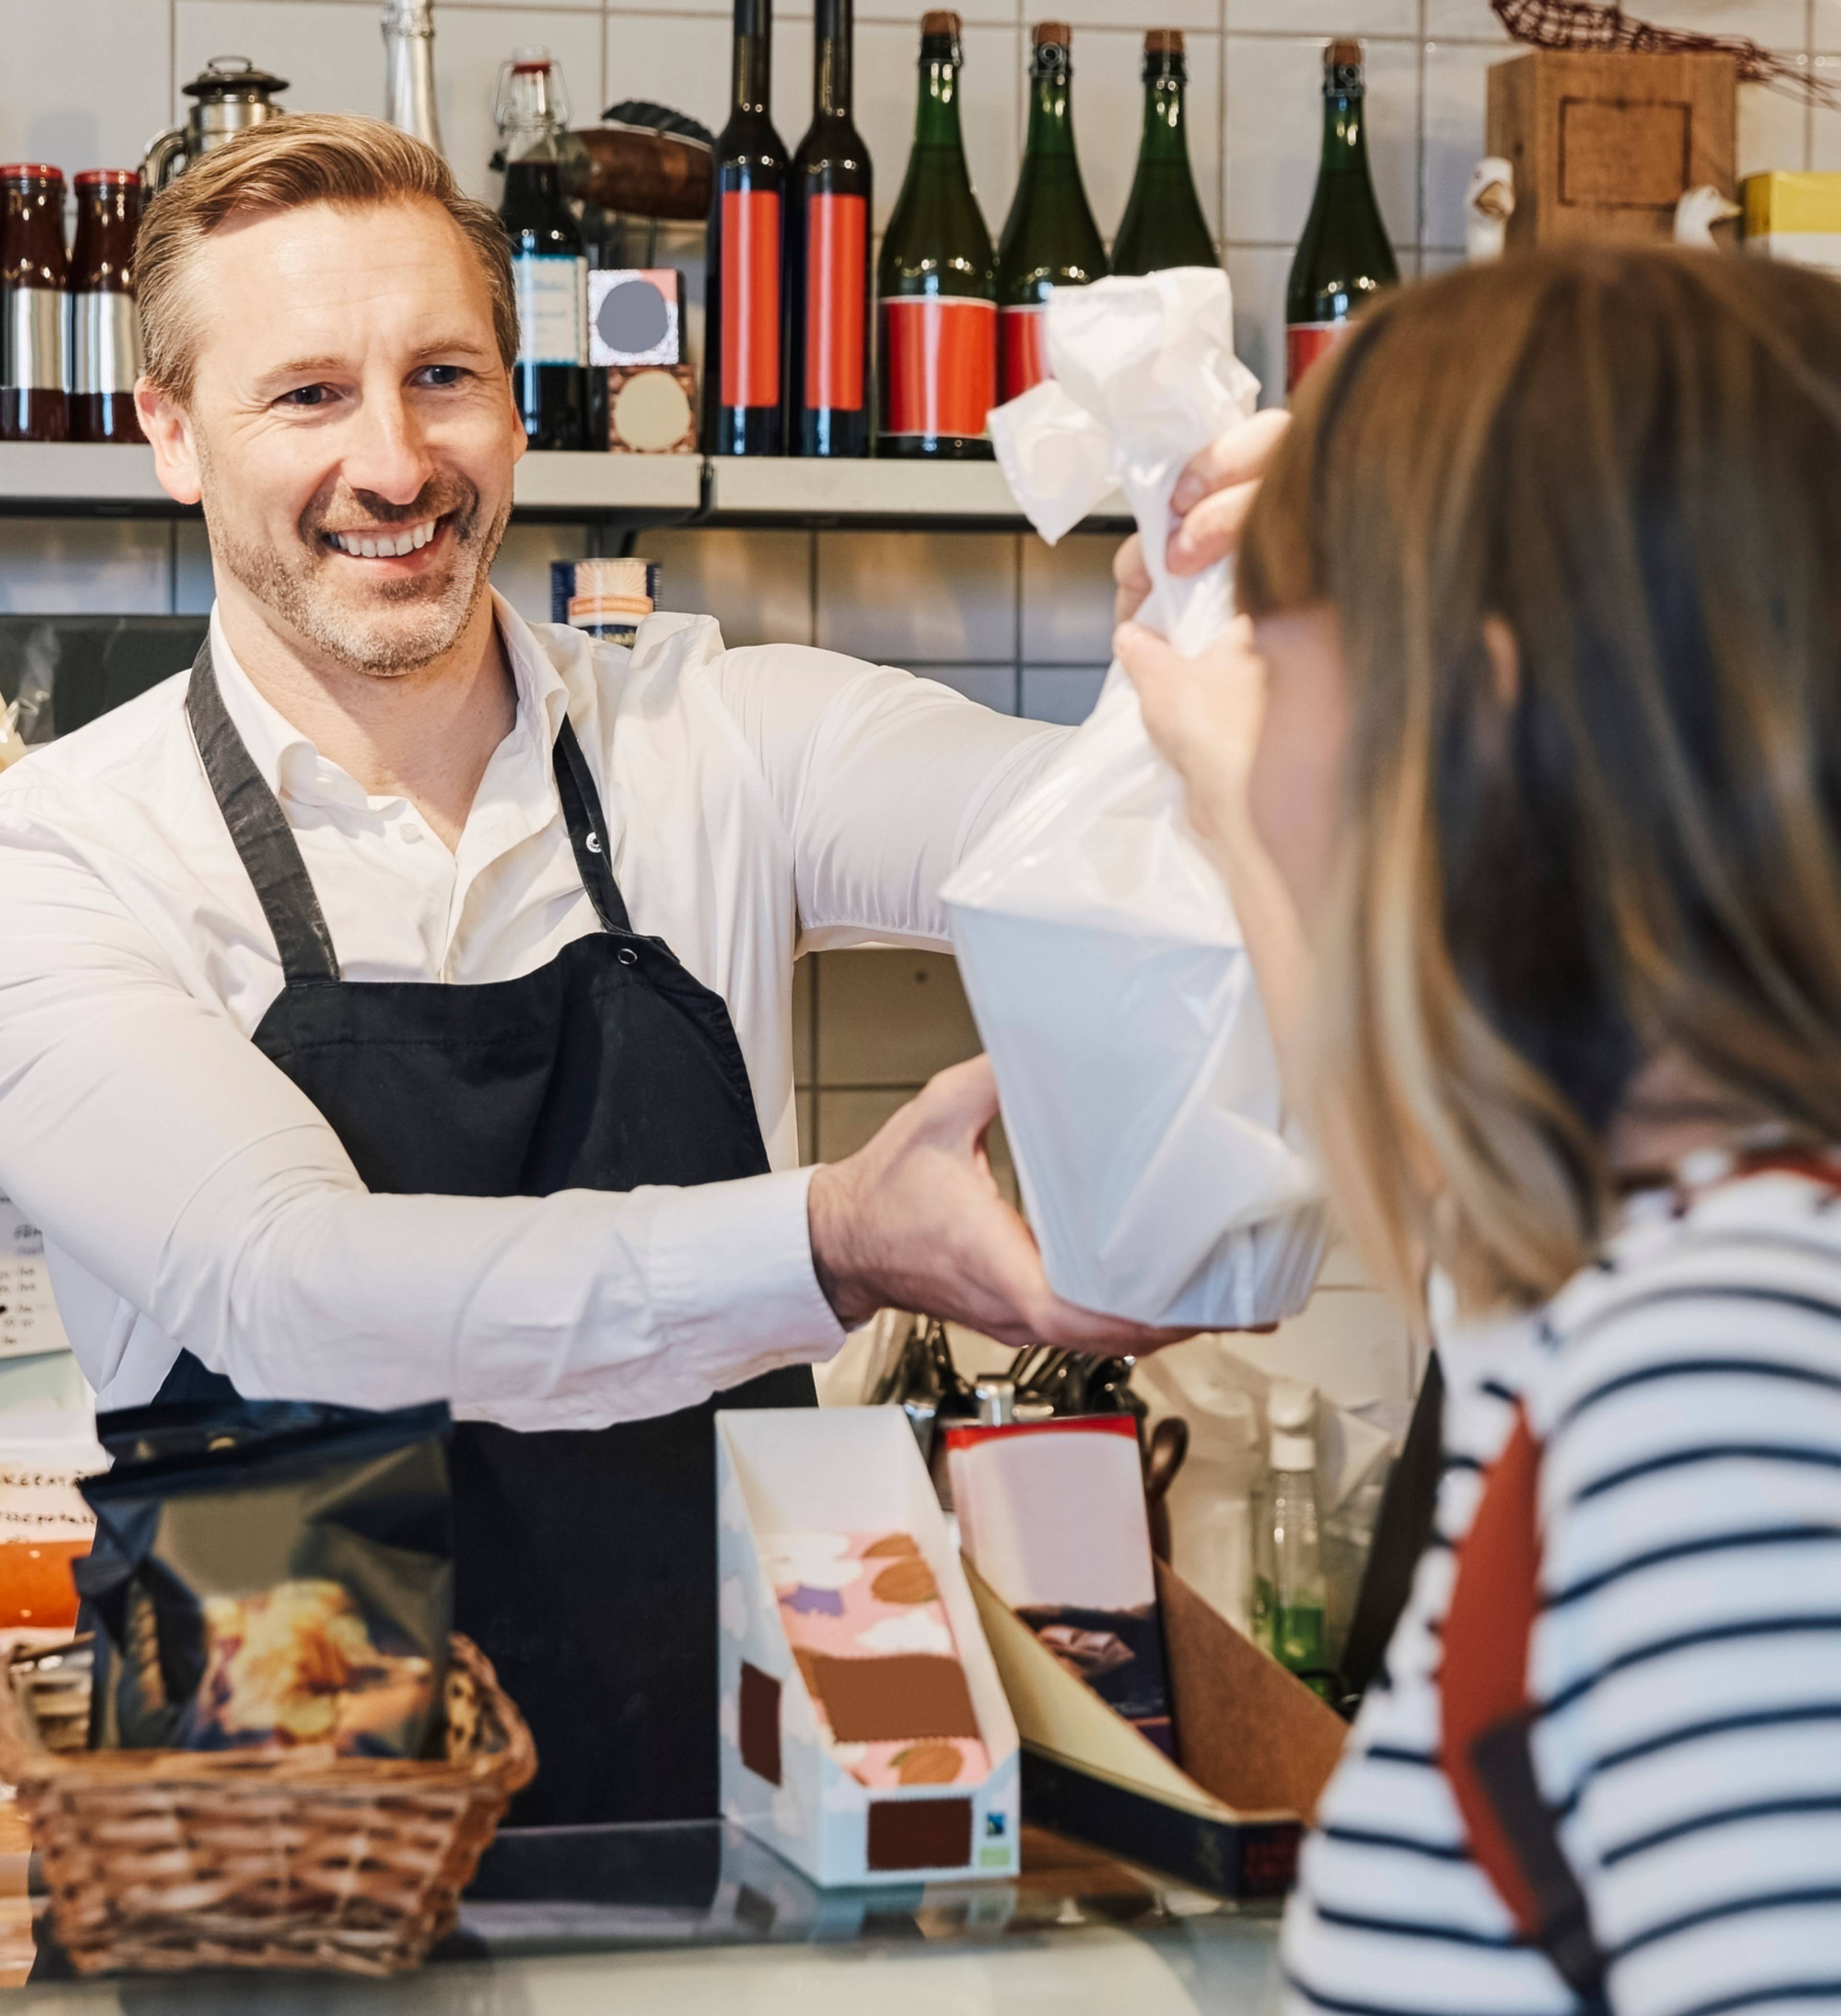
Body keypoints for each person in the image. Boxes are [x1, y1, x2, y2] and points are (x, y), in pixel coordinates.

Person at [0, 114, 1182, 1828]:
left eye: (444, 377)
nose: (396, 464)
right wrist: (834, 1240)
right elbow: (297, 1288)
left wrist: (1207, 651)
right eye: (309, 395)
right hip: (287, 1885)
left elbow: (1111, 847)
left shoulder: (723, 738)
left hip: (732, 1853)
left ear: (518, 397)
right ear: (171, 434)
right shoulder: (65, 856)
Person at [1120, 248, 1841, 2012]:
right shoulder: (1648, 1279)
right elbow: (1454, 1202)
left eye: (1283, 654)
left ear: (1475, 720)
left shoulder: (1718, 1382)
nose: (1250, 725)